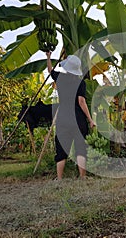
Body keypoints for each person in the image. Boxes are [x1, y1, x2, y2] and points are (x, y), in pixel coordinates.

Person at [46, 51, 95, 180]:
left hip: (63, 118)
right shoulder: (81, 83)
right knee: (80, 148)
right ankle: (82, 177)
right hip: (78, 119)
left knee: (61, 150)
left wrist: (48, 57)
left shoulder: (60, 78)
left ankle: (60, 179)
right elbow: (81, 102)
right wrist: (90, 119)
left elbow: (50, 70)